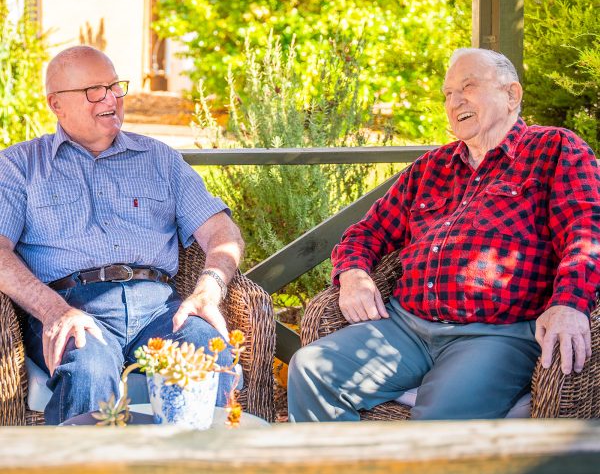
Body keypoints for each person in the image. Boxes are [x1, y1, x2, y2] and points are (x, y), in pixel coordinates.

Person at [287, 47, 600, 421]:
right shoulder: (431, 167)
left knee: (440, 423)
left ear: (511, 94)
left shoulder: (554, 149)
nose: (455, 102)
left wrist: (570, 303)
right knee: (309, 368)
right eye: (448, 94)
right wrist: (352, 273)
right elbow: (365, 233)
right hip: (405, 326)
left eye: (468, 86)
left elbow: (586, 228)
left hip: (493, 334)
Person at [0, 46, 244, 424]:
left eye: (115, 86)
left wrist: (209, 288)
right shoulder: (19, 166)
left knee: (207, 352)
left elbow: (221, 230)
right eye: (95, 90)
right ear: (56, 104)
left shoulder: (159, 158)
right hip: (75, 307)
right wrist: (53, 311)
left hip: (161, 310)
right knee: (90, 370)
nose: (111, 99)